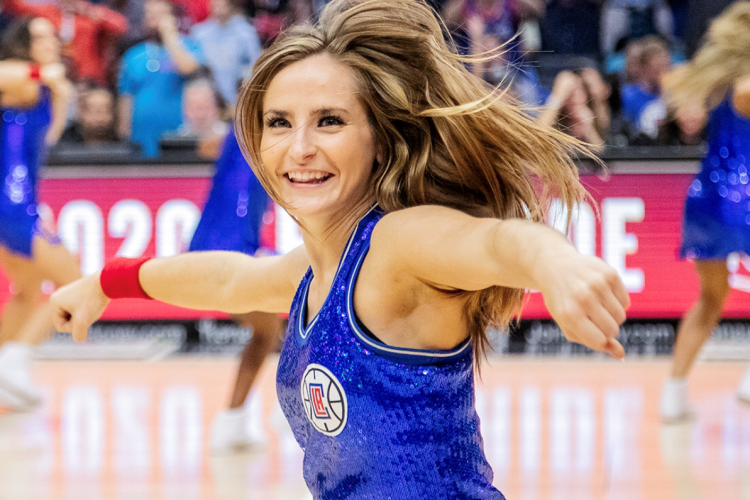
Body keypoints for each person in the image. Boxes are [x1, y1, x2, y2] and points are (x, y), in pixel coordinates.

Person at [51, 0, 629, 497]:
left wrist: (558, 265)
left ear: (380, 139)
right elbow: (227, 280)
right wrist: (105, 283)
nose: (299, 147)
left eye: (329, 121)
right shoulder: (316, 270)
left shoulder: (398, 243)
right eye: (279, 122)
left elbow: (500, 242)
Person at [658, 1, 750, 422]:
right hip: (745, 198)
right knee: (712, 298)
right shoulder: (745, 86)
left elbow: (672, 88)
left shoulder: (712, 82)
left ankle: (673, 392)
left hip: (706, 197)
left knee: (710, 299)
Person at [0, 17, 82, 412]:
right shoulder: (19, 79)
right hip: (11, 204)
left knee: (28, 293)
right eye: (39, 37)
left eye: (52, 36)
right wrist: (40, 72)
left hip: (20, 203)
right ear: (23, 44)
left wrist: (59, 88)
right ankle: (15, 360)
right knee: (75, 283)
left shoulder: (46, 88)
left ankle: (5, 366)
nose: (50, 42)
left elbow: (49, 136)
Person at [188, 126, 285, 454]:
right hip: (231, 252)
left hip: (212, 248)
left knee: (266, 332)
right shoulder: (263, 134)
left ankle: (232, 420)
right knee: (315, 299)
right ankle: (294, 407)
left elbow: (206, 145)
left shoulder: (239, 131)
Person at [117, 0, 205, 157]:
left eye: (159, 14)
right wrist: (124, 134)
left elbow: (189, 69)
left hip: (178, 139)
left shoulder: (190, 46)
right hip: (140, 140)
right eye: (149, 14)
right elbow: (126, 97)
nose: (153, 18)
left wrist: (170, 37)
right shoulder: (133, 55)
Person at [1, 0, 129, 85]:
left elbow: (121, 27)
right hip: (51, 75)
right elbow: (16, 6)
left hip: (87, 80)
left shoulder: (90, 16)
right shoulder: (48, 12)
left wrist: (88, 11)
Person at [190, 0, 262, 106]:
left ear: (231, 6)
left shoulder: (246, 33)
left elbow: (255, 65)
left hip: (239, 97)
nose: (218, 10)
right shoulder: (199, 34)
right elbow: (195, 69)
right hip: (209, 100)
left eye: (222, 6)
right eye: (215, 6)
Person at [538, 68, 612, 146]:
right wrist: (557, 97)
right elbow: (538, 136)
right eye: (570, 92)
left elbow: (603, 154)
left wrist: (589, 131)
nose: (576, 97)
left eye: (580, 90)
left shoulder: (595, 120)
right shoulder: (554, 124)